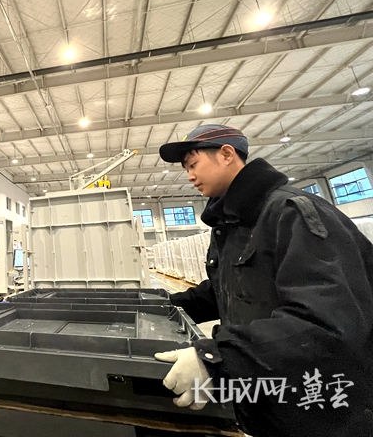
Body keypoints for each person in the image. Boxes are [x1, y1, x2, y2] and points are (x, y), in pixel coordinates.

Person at [153, 124, 373, 437]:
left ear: (226, 154)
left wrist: (219, 357)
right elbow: (227, 291)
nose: (189, 176)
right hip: (271, 401)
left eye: (193, 164)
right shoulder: (233, 224)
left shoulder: (290, 213)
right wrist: (160, 305)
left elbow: (326, 321)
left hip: (323, 411)